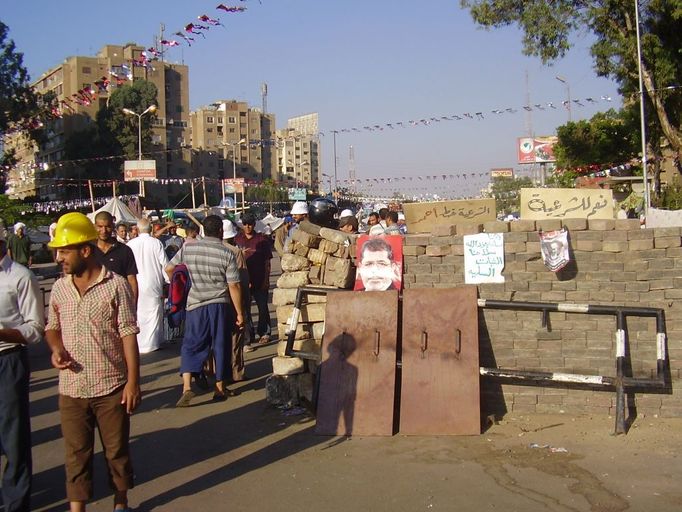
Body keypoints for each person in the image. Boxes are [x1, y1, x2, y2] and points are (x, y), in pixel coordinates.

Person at [45, 212, 141, 512]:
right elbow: (51, 327)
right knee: (76, 454)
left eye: (64, 251)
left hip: (110, 386)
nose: (59, 257)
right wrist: (56, 348)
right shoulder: (60, 287)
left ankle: (120, 502)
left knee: (116, 452)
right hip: (71, 389)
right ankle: (78, 507)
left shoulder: (115, 286)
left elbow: (128, 334)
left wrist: (133, 383)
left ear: (85, 251)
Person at [166, 215, 244, 406]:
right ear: (220, 232)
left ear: (203, 231)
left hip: (195, 304)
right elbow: (234, 285)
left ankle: (186, 387)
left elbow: (170, 269)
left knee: (191, 344)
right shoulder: (227, 254)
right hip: (219, 304)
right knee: (220, 344)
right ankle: (219, 388)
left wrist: (186, 285)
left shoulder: (189, 248)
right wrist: (240, 313)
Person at [0, 229, 45, 511]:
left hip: (9, 359)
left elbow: (35, 328)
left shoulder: (20, 277)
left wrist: (4, 334)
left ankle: (15, 502)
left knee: (13, 433)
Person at [126, 219, 169, 354]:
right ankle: (153, 343)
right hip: (153, 282)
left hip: (135, 282)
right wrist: (168, 280)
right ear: (150, 229)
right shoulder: (156, 243)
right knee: (154, 312)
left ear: (137, 229)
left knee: (138, 312)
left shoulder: (130, 244)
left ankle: (140, 343)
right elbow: (165, 264)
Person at [234, 213, 273, 346]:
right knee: (245, 310)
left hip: (260, 280)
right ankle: (248, 336)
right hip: (244, 281)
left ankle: (264, 332)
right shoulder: (237, 240)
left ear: (254, 225)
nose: (247, 226)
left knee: (262, 308)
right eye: (245, 224)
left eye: (250, 224)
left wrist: (266, 280)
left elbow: (267, 262)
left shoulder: (261, 240)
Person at [222, 220, 252, 374]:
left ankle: (218, 371)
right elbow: (242, 280)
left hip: (217, 300)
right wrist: (244, 308)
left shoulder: (210, 249)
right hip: (234, 300)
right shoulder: (236, 252)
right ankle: (236, 371)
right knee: (235, 338)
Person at [93, 211, 138, 304]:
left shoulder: (124, 250)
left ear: (113, 227)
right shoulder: (89, 251)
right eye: (100, 227)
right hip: (94, 304)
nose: (104, 230)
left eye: (107, 226)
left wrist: (133, 305)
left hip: (120, 303)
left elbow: (132, 280)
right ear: (95, 227)